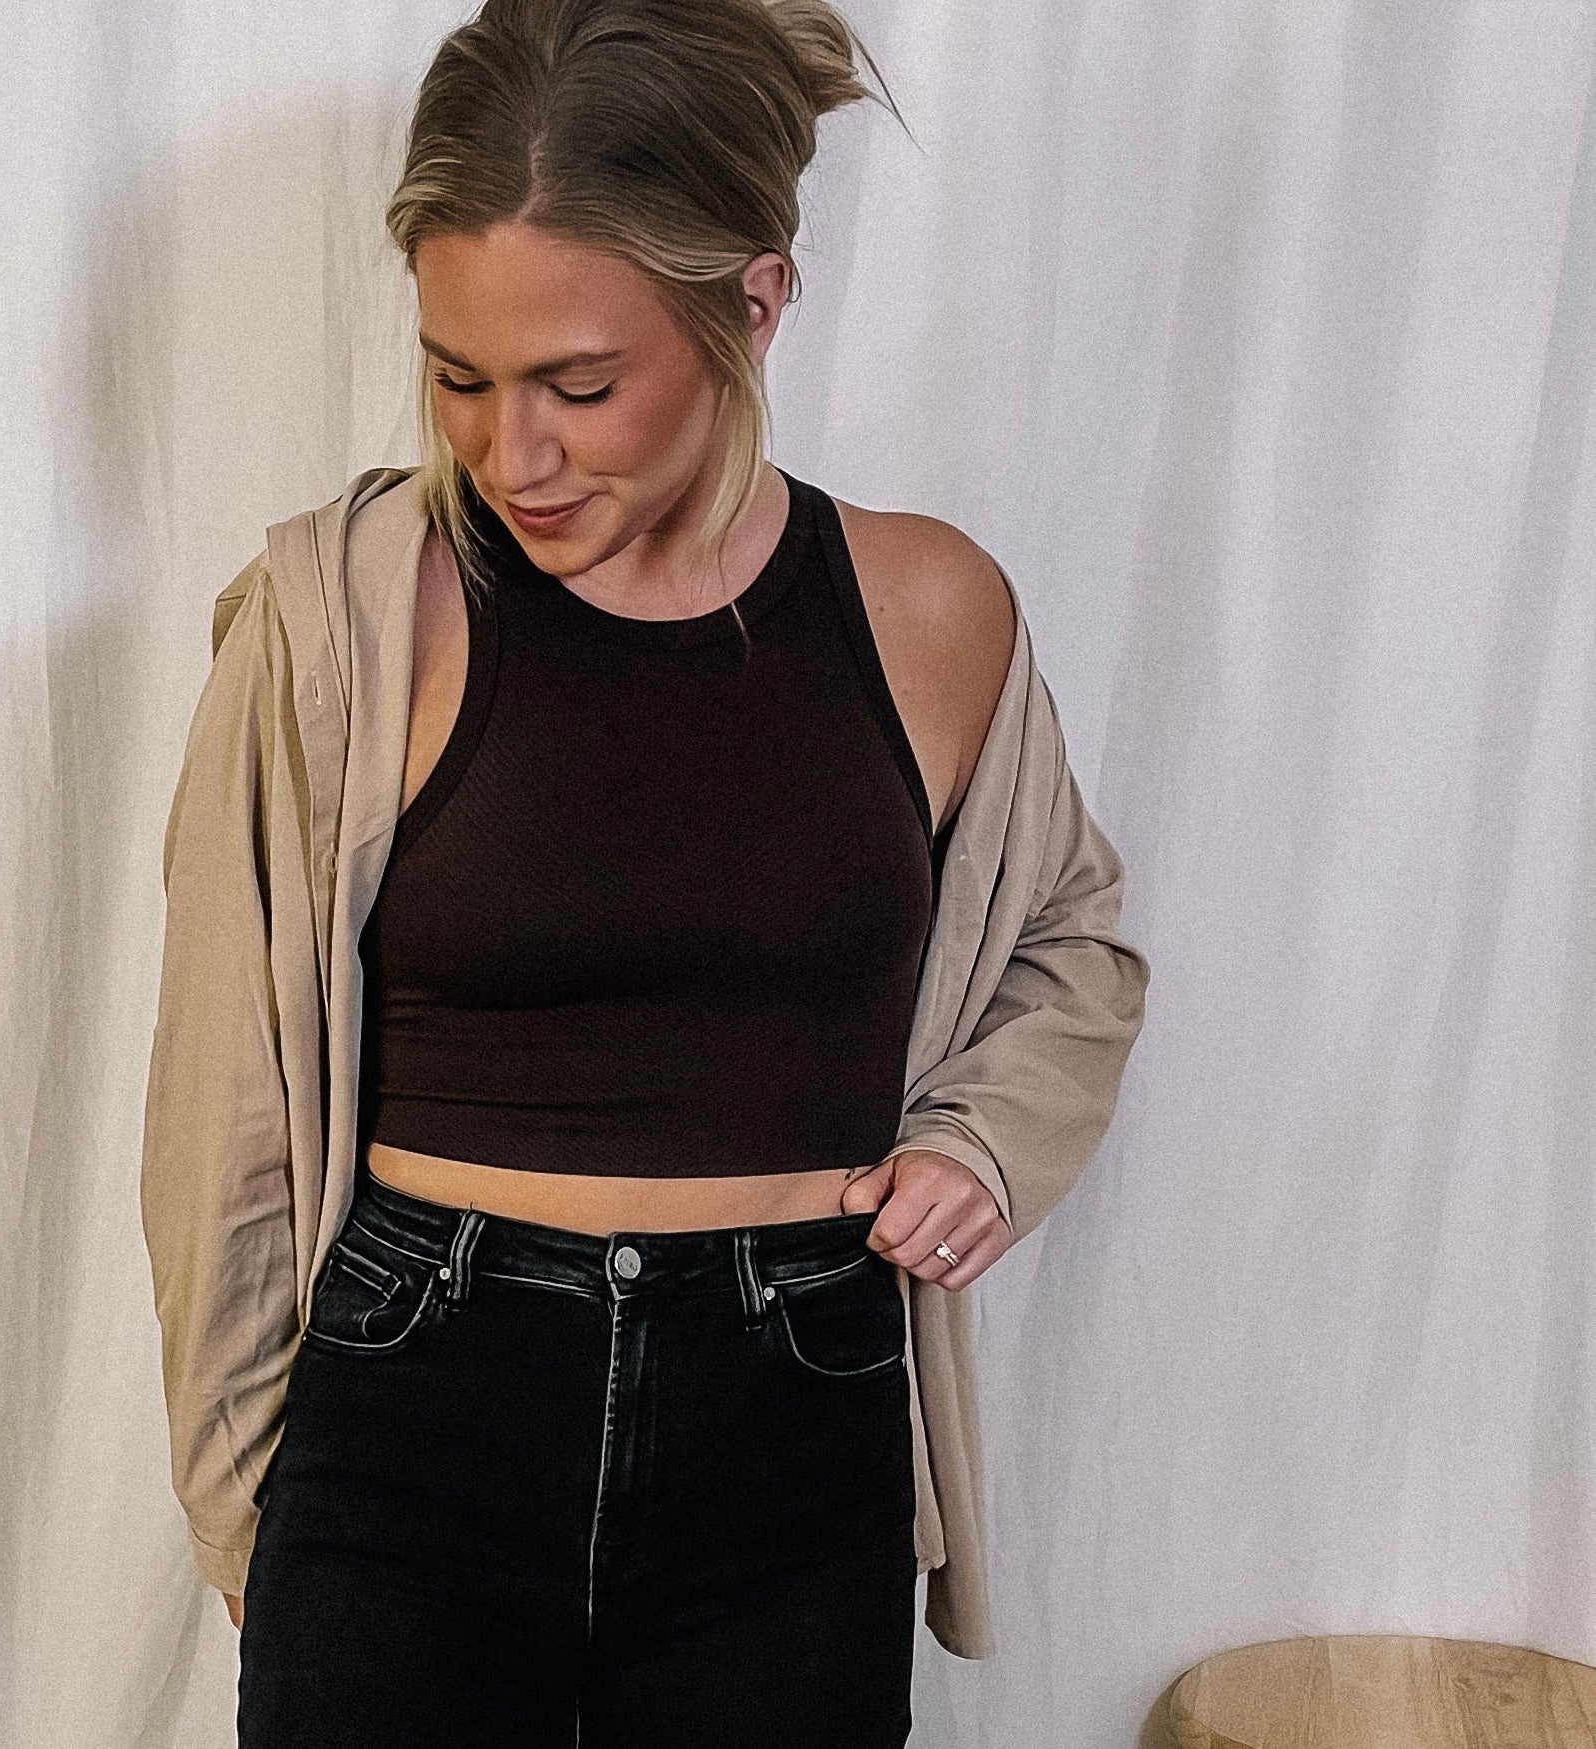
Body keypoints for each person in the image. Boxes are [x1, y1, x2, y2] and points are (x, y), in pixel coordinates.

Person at [139, 1, 1151, 1743]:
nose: (509, 454)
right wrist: (244, 1502)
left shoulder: (926, 613)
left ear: (754, 303)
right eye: (460, 376)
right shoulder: (342, 623)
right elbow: (218, 1106)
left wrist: (982, 1140)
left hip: (797, 1411)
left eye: (579, 386)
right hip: (413, 1403)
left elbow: (1070, 945)